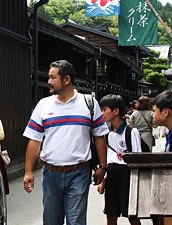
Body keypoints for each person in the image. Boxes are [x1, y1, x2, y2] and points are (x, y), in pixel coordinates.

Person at [23, 59, 109, 225]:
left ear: (66, 79)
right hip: (50, 174)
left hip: (79, 173)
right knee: (51, 221)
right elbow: (34, 139)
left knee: (76, 221)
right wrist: (28, 171)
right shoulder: (43, 105)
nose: (49, 81)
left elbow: (100, 136)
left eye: (52, 77)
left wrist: (103, 167)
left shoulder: (89, 104)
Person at [97, 94, 142, 225]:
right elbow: (108, 158)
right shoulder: (107, 133)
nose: (102, 113)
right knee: (110, 213)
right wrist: (104, 180)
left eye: (104, 110)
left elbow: (137, 157)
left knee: (132, 214)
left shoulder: (131, 132)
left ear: (116, 111)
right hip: (112, 173)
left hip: (127, 173)